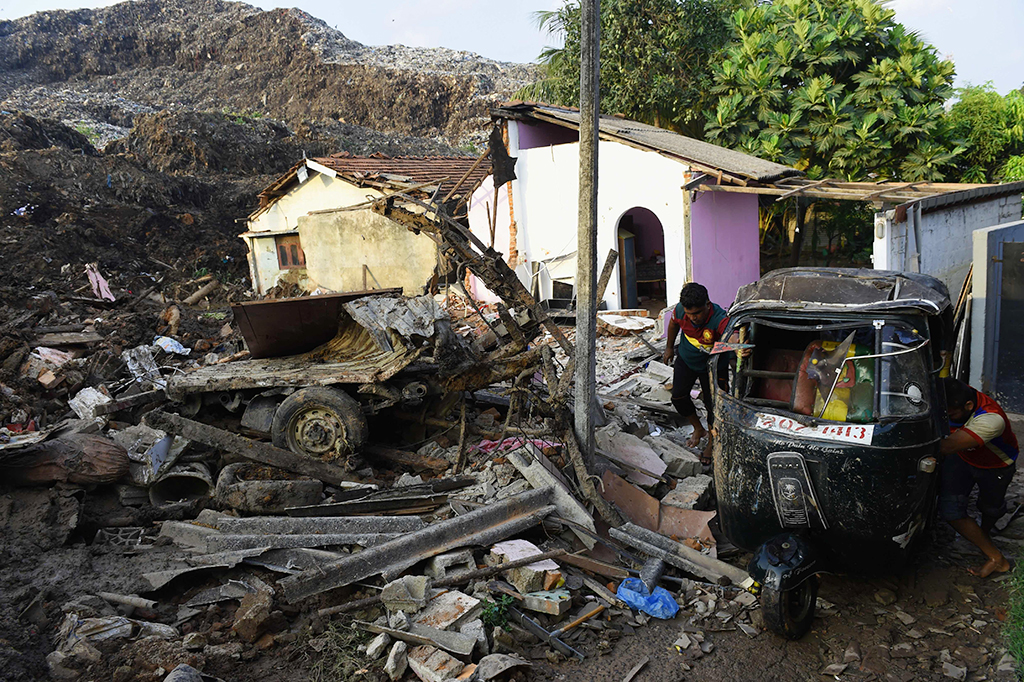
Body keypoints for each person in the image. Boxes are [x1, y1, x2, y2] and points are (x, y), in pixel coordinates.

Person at [939, 377, 1019, 578]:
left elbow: (945, 447)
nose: (946, 417)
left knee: (990, 509)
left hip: (995, 466)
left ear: (968, 405)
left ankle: (985, 532)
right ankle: (996, 558)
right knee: (951, 511)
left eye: (951, 414)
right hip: (962, 457)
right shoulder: (957, 396)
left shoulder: (991, 419)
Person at [661, 282, 729, 464]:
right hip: (687, 359)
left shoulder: (720, 318)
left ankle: (712, 442)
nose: (693, 318)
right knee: (678, 397)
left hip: (713, 366)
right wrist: (669, 348)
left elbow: (733, 336)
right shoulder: (681, 311)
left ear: (707, 305)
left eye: (697, 313)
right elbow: (674, 324)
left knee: (712, 405)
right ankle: (698, 429)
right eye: (689, 314)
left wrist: (739, 347)